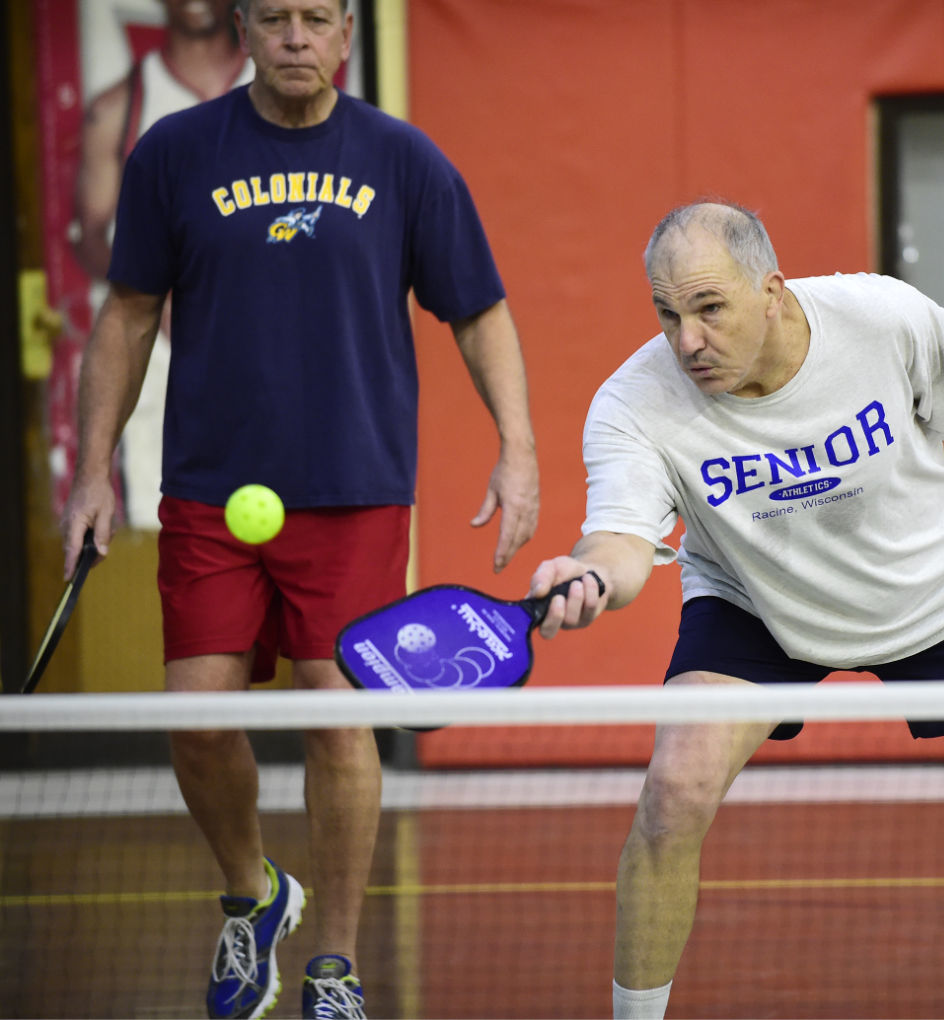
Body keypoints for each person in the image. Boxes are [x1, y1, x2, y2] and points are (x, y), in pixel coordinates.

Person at [528, 201, 944, 1020]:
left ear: (770, 290)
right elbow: (621, 541)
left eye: (709, 308)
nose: (687, 340)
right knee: (673, 796)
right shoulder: (634, 404)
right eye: (667, 314)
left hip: (942, 582)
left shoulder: (879, 316)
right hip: (758, 599)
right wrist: (591, 573)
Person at [60, 1, 539, 1018]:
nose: (294, 37)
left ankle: (335, 964)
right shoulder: (172, 153)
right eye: (273, 17)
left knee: (337, 717)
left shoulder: (405, 161)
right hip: (209, 486)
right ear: (242, 29)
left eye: (315, 18)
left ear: (346, 35)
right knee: (197, 724)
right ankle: (254, 892)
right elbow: (127, 315)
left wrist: (519, 449)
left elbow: (478, 311)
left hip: (355, 488)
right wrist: (92, 470)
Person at [67, 0, 254, 528]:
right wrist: (163, 294)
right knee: (166, 520)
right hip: (165, 354)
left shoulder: (286, 93)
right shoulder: (120, 108)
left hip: (273, 352)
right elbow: (91, 234)